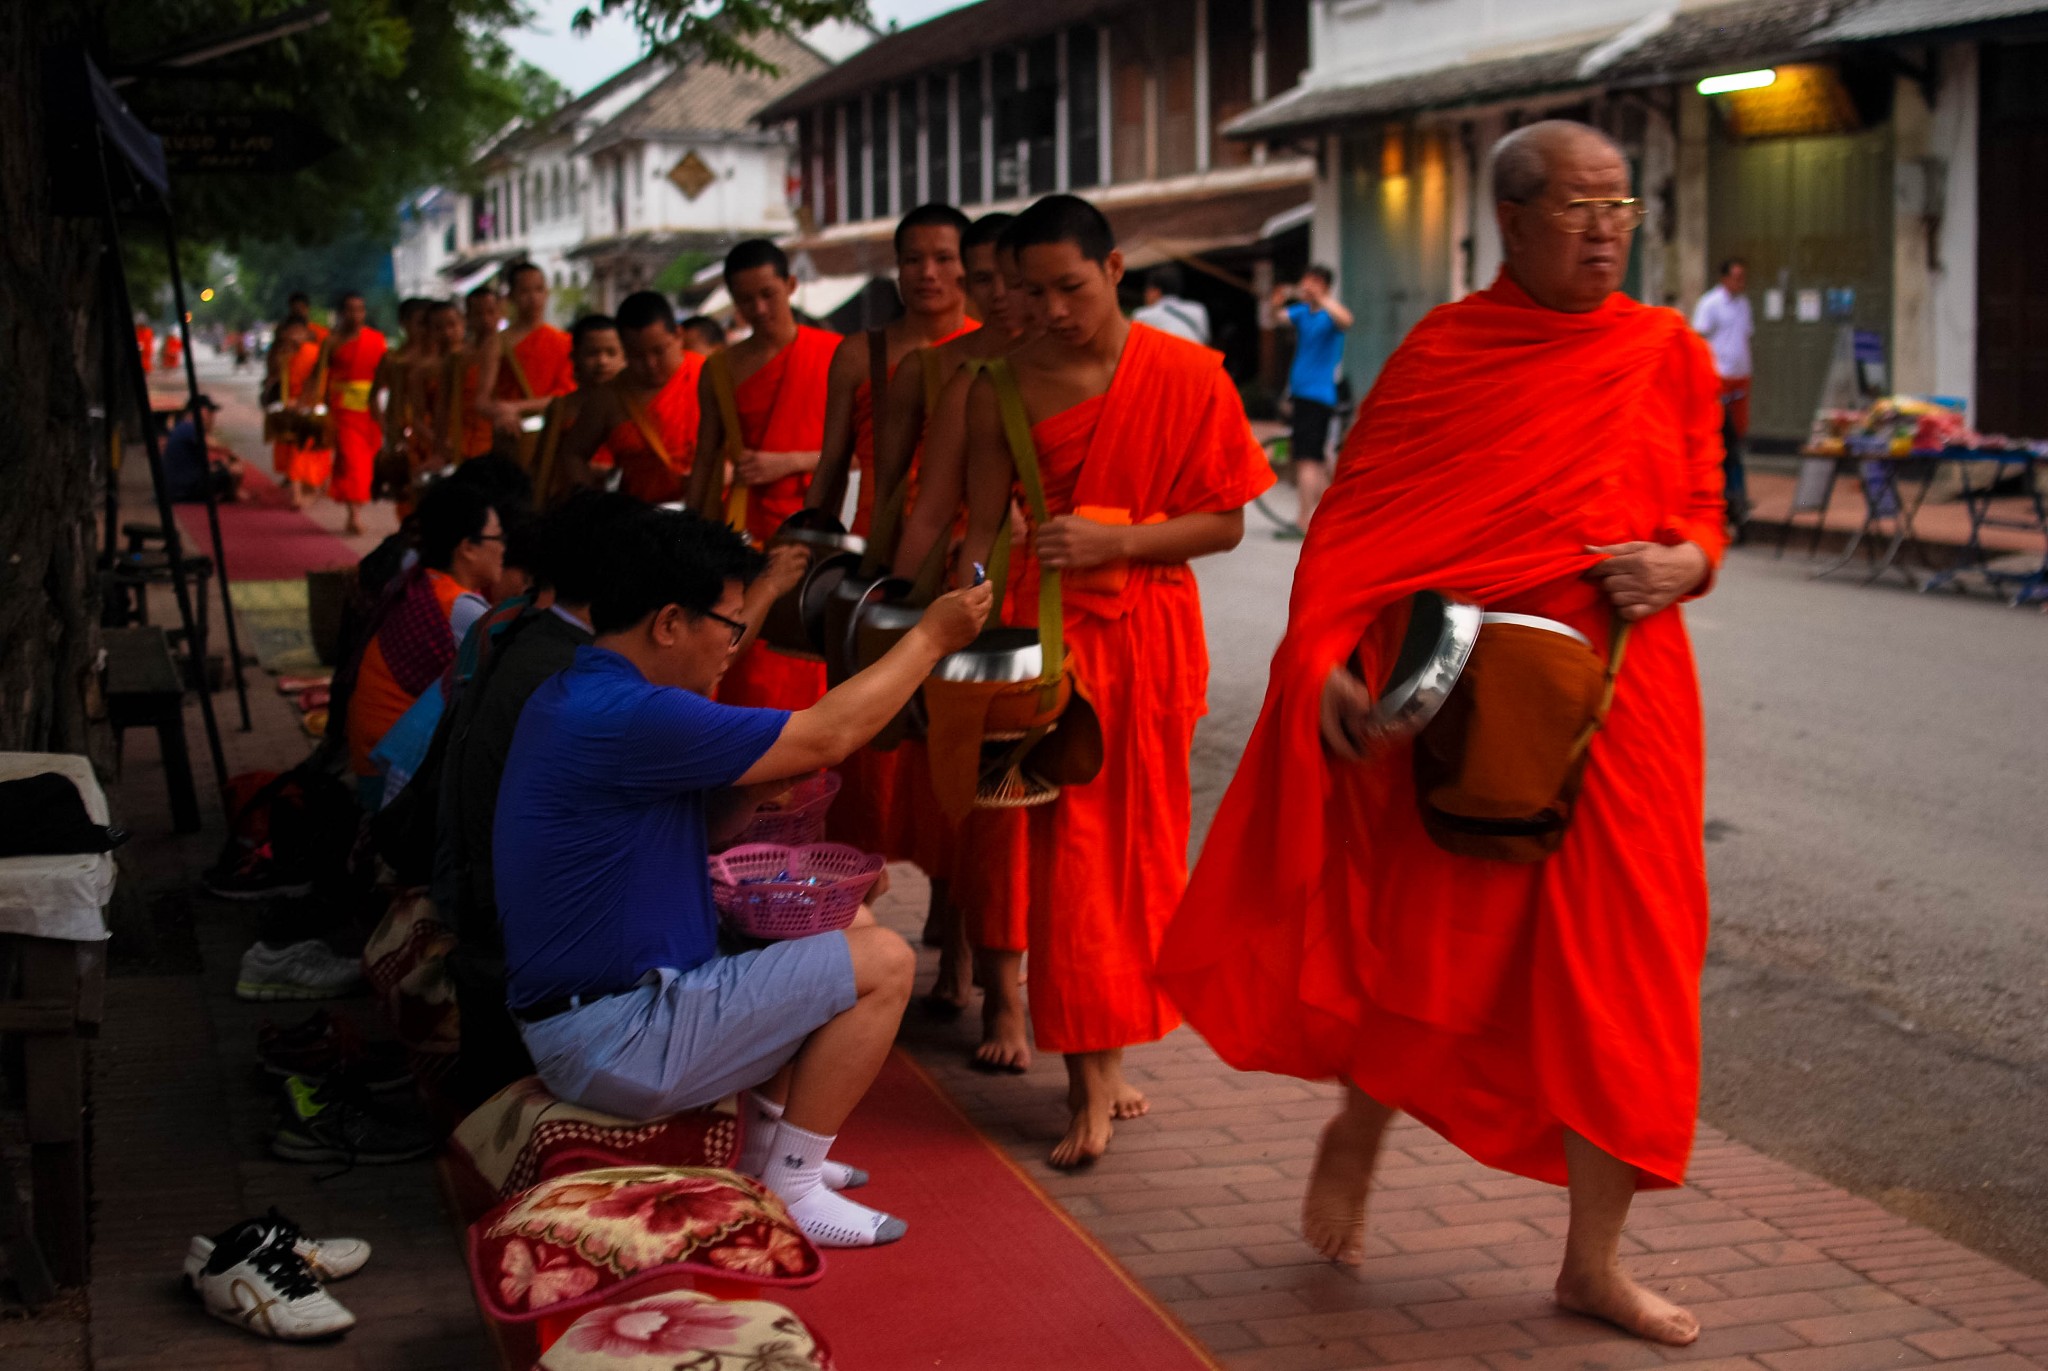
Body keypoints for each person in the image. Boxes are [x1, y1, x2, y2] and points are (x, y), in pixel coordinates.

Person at [1155, 120, 1724, 1348]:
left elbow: (1700, 507)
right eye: (1577, 207)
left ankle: (1592, 1263)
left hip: (1625, 704)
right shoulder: (1448, 353)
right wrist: (1315, 659)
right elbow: (1358, 527)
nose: (1602, 231)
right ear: (1511, 222)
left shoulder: (1663, 351)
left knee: (1630, 971)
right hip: (1466, 698)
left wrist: (1681, 562)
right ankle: (1358, 1127)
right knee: (1434, 946)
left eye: (1620, 209)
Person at [494, 508, 995, 1247]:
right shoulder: (630, 713)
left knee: (841, 924)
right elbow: (830, 732)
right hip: (614, 1034)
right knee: (885, 963)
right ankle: (788, 1185)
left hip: (595, 1008)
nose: (736, 644)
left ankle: (771, 1150)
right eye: (729, 626)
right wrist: (930, 637)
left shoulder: (580, 691)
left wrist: (752, 789)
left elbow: (686, 830)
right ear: (669, 622)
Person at [956, 195, 1273, 1167]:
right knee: (1075, 862)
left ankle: (1112, 1048)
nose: (1050, 309)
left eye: (1069, 287)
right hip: (1052, 646)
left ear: (1114, 269)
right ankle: (1086, 1083)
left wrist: (1118, 541)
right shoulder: (996, 386)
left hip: (1153, 641)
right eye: (1029, 290)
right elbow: (974, 533)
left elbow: (1224, 521)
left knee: (1141, 861)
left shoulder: (1186, 375)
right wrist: (953, 648)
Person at [888, 211, 1040, 1061]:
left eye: (1007, 280)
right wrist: (891, 616)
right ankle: (1004, 999)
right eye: (986, 280)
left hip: (1087, 606)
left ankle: (1093, 1016)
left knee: (1081, 827)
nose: (999, 297)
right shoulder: (957, 379)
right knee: (997, 813)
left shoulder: (1088, 371)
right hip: (985, 607)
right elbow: (924, 512)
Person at [685, 239, 840, 710]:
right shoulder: (720, 369)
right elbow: (706, 460)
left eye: (768, 294)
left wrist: (789, 461)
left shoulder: (837, 355)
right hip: (748, 533)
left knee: (819, 659)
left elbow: (862, 457)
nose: (758, 308)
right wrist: (688, 537)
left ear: (791, 286)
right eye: (745, 298)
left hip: (826, 528)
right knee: (751, 669)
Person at [343, 480, 505, 797]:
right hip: (390, 777)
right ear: (468, 547)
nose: (503, 547)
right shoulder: (462, 610)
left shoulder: (422, 578)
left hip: (368, 761)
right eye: (498, 537)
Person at [554, 292, 704, 505]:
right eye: (637, 356)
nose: (650, 364)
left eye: (659, 351)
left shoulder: (708, 376)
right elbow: (573, 454)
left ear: (679, 336)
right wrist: (594, 504)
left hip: (713, 513)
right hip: (644, 520)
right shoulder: (609, 398)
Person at [1270, 266, 1352, 532]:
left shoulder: (1329, 315)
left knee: (1309, 459)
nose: (1304, 287)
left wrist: (1322, 298)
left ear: (1322, 285)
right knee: (1314, 458)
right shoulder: (1303, 313)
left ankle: (1305, 518)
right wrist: (1277, 302)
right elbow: (1277, 317)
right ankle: (1319, 516)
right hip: (1301, 395)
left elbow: (1347, 321)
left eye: (1310, 283)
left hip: (1318, 396)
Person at [483, 263, 576, 463]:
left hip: (559, 432)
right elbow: (481, 401)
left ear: (547, 293)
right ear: (511, 297)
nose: (533, 298)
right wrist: (504, 413)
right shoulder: (498, 343)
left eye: (539, 289)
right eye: (524, 291)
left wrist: (515, 407)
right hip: (515, 434)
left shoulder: (564, 341)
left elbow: (568, 396)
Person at [529, 313, 626, 503]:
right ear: (574, 357)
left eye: (611, 352)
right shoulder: (561, 408)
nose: (602, 361)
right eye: (592, 353)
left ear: (625, 356)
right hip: (572, 504)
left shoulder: (633, 406)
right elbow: (543, 465)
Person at [1691, 258, 1753, 531]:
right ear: (1724, 278)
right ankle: (1720, 497)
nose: (1740, 282)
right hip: (1719, 379)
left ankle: (1736, 498)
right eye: (1736, 277)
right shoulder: (1710, 304)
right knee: (1721, 443)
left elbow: (1747, 338)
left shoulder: (1743, 305)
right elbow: (1699, 338)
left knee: (1736, 440)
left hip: (1740, 378)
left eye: (1743, 277)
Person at [325, 292, 387, 535]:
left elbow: (384, 373)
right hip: (343, 410)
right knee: (353, 461)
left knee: (367, 460)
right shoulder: (332, 342)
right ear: (341, 313)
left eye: (360, 309)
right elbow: (321, 376)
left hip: (369, 409)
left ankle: (355, 507)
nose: (355, 315)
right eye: (350, 309)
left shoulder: (376, 340)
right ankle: (354, 514)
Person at [269, 317, 334, 511]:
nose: (291, 336)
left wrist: (302, 403)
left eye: (295, 332)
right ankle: (300, 491)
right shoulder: (285, 354)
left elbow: (316, 380)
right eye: (288, 333)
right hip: (291, 406)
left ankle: (305, 491)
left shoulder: (312, 352)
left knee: (307, 451)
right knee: (295, 452)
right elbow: (277, 378)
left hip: (309, 406)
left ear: (304, 332)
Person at [162, 395, 245, 504]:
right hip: (184, 488)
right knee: (235, 468)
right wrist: (232, 457)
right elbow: (218, 446)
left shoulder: (182, 427)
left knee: (222, 465)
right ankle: (233, 495)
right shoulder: (189, 428)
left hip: (178, 484)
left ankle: (231, 494)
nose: (212, 417)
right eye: (209, 412)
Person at [1131, 265, 1211, 347]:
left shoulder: (1142, 315)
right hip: (1196, 357)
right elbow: (1205, 340)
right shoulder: (1199, 309)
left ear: (1155, 291)